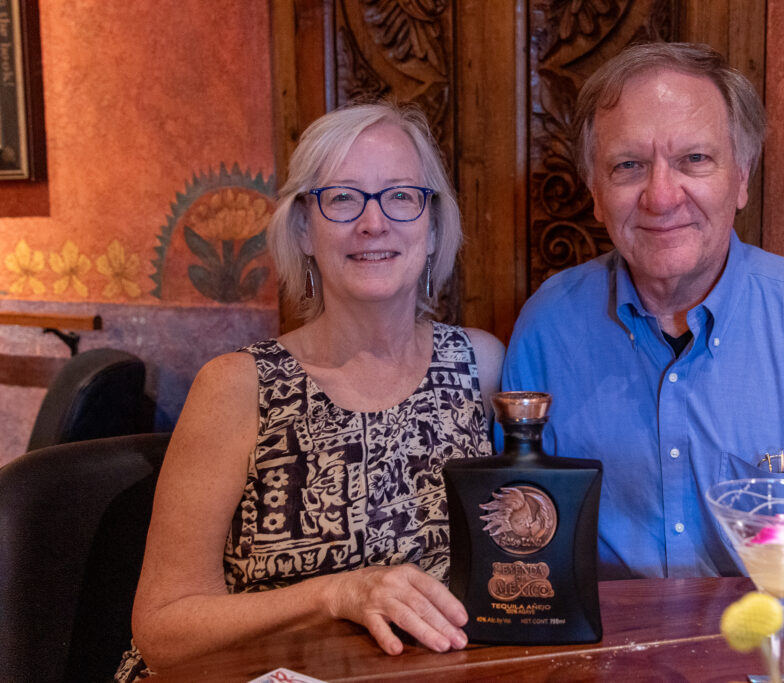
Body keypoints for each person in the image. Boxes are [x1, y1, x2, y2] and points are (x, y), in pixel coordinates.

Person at [501, 42, 784, 580]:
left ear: (742, 177)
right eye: (628, 165)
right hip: (604, 657)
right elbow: (515, 536)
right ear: (594, 190)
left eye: (694, 160)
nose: (660, 196)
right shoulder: (548, 328)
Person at [116, 101, 504, 680]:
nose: (374, 222)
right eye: (343, 198)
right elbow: (162, 630)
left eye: (400, 195)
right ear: (302, 228)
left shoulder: (481, 365)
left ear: (432, 225)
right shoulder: (238, 386)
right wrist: (336, 593)